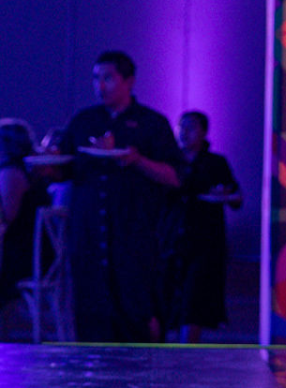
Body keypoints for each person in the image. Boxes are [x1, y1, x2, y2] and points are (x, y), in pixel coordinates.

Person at [46, 51, 185, 343]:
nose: (100, 86)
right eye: (96, 78)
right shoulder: (84, 121)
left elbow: (175, 177)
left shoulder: (151, 123)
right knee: (91, 315)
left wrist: (137, 160)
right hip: (87, 237)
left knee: (136, 313)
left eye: (108, 78)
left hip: (134, 235)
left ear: (129, 81)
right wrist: (46, 164)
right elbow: (64, 169)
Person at [172, 110, 240, 343]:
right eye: (181, 126)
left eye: (190, 127)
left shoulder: (215, 163)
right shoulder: (171, 161)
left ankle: (187, 350)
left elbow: (236, 197)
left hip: (205, 240)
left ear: (203, 132)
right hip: (173, 237)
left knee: (195, 298)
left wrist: (223, 194)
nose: (184, 132)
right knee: (173, 295)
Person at [0, 120, 45, 318]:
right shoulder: (28, 170)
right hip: (34, 250)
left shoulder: (11, 173)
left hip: (24, 256)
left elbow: (7, 218)